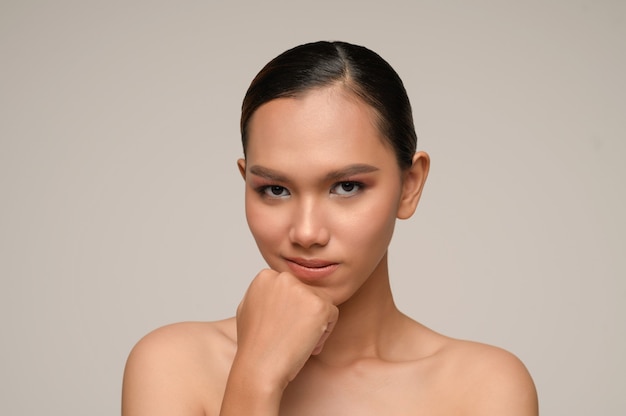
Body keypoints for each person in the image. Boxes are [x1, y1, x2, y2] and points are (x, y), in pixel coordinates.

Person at [121, 40, 538, 415]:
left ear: (409, 186)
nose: (306, 233)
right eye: (276, 189)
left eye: (346, 186)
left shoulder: (483, 388)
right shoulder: (171, 366)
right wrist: (256, 377)